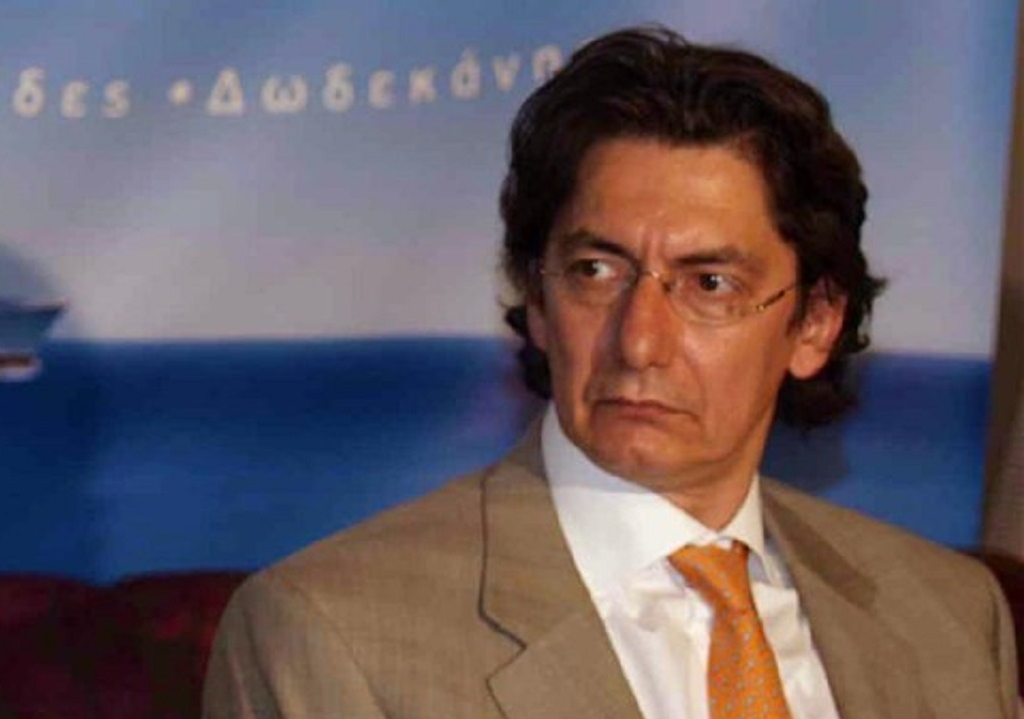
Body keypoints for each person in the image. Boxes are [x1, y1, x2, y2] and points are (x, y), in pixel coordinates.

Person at [203, 27, 1019, 719]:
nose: (639, 341)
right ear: (537, 299)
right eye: (596, 270)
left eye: (709, 284)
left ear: (813, 324)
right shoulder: (331, 633)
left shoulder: (948, 613)